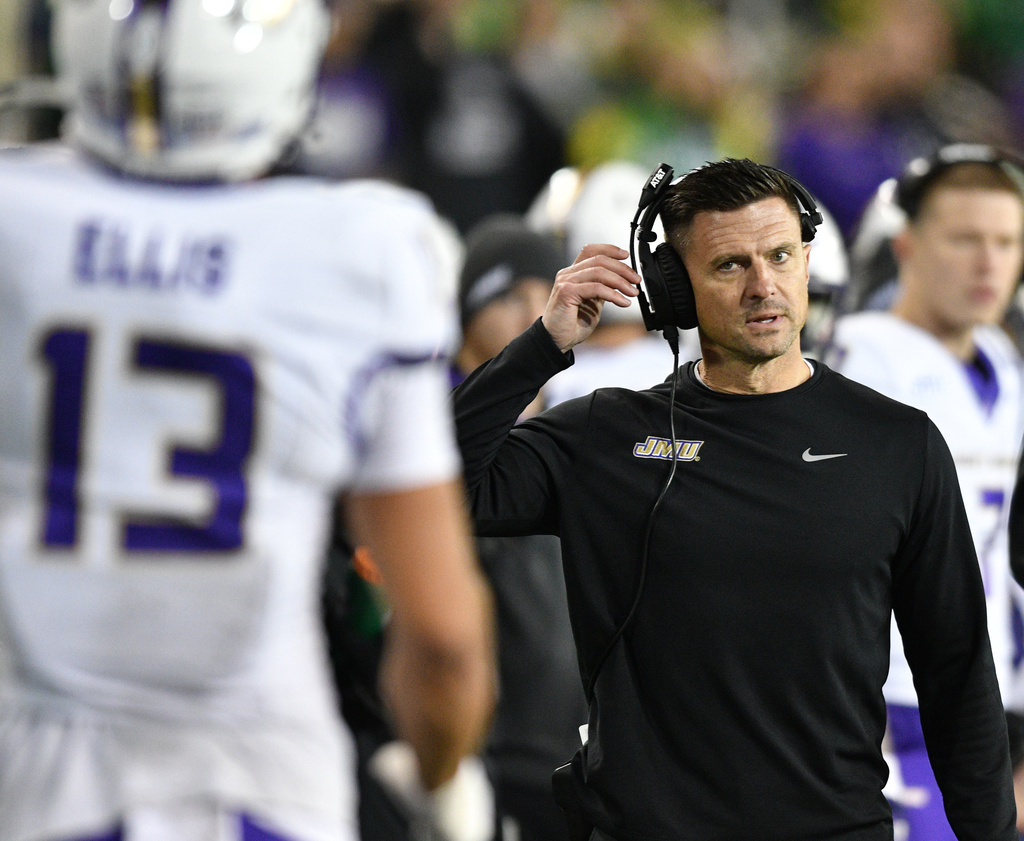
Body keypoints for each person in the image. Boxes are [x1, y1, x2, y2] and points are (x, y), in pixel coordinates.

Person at [0, 2, 496, 841]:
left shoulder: (18, 215)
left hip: (33, 781)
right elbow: (443, 636)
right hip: (256, 783)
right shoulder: (361, 249)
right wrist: (441, 775)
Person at [452, 157, 1017, 841]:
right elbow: (450, 489)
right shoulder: (607, 435)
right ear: (674, 290)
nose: (763, 286)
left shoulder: (900, 444)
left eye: (780, 255)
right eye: (729, 265)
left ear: (807, 261)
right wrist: (541, 347)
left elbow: (957, 671)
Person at [826, 144, 1024, 841]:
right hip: (887, 702)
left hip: (986, 694)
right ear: (908, 244)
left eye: (1006, 241)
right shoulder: (862, 358)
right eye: (965, 239)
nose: (988, 262)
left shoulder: (1003, 360)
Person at [452, 214, 590, 841]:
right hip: (486, 756)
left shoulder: (578, 426)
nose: (538, 312)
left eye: (546, 293)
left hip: (575, 757)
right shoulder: (427, 436)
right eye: (512, 296)